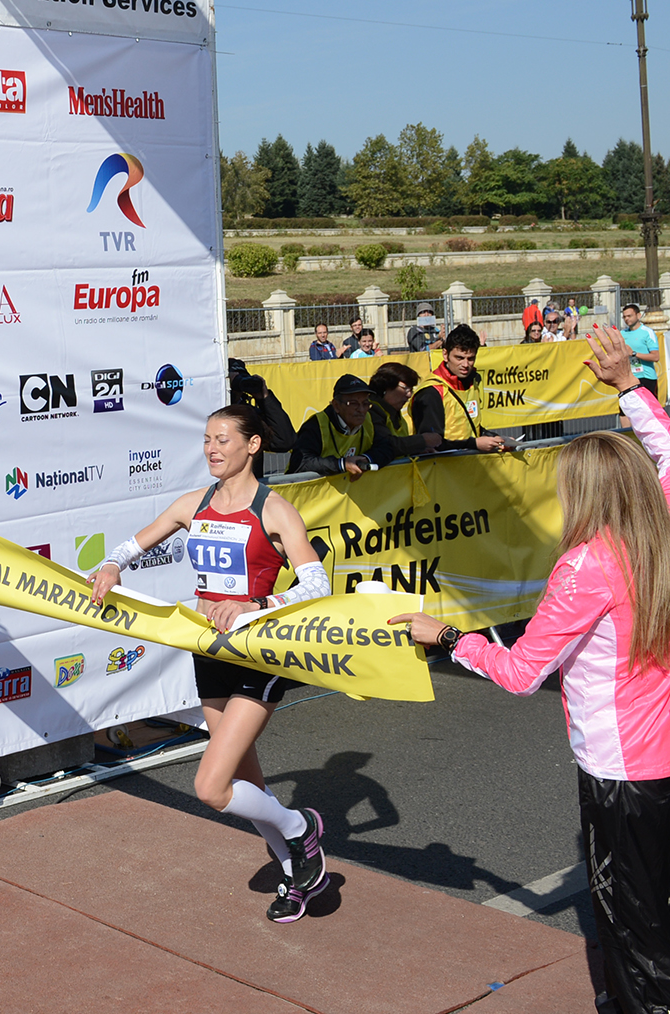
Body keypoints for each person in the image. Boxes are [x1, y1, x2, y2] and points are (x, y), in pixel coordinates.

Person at [392, 326, 670, 1014]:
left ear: (589, 495)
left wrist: (449, 639)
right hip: (668, 751)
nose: (560, 497)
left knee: (640, 922)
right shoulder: (666, 519)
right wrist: (628, 387)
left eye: (568, 486)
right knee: (627, 906)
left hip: (622, 767)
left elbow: (522, 671)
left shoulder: (586, 565)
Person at [88, 407, 334, 922]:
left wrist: (255, 606)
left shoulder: (275, 510)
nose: (211, 448)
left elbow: (318, 585)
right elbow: (132, 544)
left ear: (253, 446)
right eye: (206, 439)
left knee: (211, 786)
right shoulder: (192, 504)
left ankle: (299, 829)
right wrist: (112, 565)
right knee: (247, 780)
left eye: (223, 439)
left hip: (260, 653)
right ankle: (296, 875)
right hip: (209, 652)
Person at [412, 325, 510, 455]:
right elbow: (430, 444)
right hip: (442, 470)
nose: (465, 365)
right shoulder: (431, 392)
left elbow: (472, 427)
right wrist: (474, 444)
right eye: (459, 358)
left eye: (471, 358)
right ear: (445, 355)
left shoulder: (473, 382)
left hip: (470, 466)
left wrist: (497, 440)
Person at [289, 375, 394, 480]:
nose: (361, 410)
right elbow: (300, 463)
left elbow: (388, 447)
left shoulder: (369, 420)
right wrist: (342, 464)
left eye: (365, 403)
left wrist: (367, 459)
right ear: (336, 405)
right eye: (353, 404)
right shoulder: (316, 425)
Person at [367, 364, 443, 459]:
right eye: (405, 388)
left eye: (411, 390)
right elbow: (386, 444)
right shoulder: (371, 411)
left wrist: (416, 451)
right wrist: (422, 440)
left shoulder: (395, 413)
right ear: (385, 386)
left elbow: (399, 448)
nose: (409, 394)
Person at [620, 302, 661, 396]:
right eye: (624, 317)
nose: (627, 319)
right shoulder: (622, 334)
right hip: (629, 378)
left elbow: (655, 357)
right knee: (626, 410)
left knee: (649, 409)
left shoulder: (647, 332)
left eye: (629, 316)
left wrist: (634, 353)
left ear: (638, 315)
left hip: (646, 377)